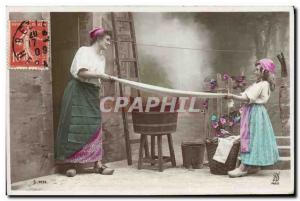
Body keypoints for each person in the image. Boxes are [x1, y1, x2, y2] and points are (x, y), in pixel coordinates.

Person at [55, 27, 115, 176]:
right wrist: (101, 75)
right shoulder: (84, 51)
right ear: (99, 38)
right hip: (78, 91)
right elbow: (82, 72)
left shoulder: (102, 57)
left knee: (95, 125)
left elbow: (96, 78)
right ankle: (70, 165)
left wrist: (102, 80)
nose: (109, 43)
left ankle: (98, 164)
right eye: (107, 39)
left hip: (92, 93)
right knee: (75, 125)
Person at [225, 58, 279, 177]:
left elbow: (247, 98)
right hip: (254, 111)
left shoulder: (263, 84)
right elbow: (245, 95)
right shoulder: (258, 84)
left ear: (264, 71)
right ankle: (253, 166)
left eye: (257, 70)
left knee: (250, 139)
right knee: (254, 138)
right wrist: (233, 96)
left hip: (255, 113)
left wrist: (232, 96)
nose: (254, 72)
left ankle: (243, 167)